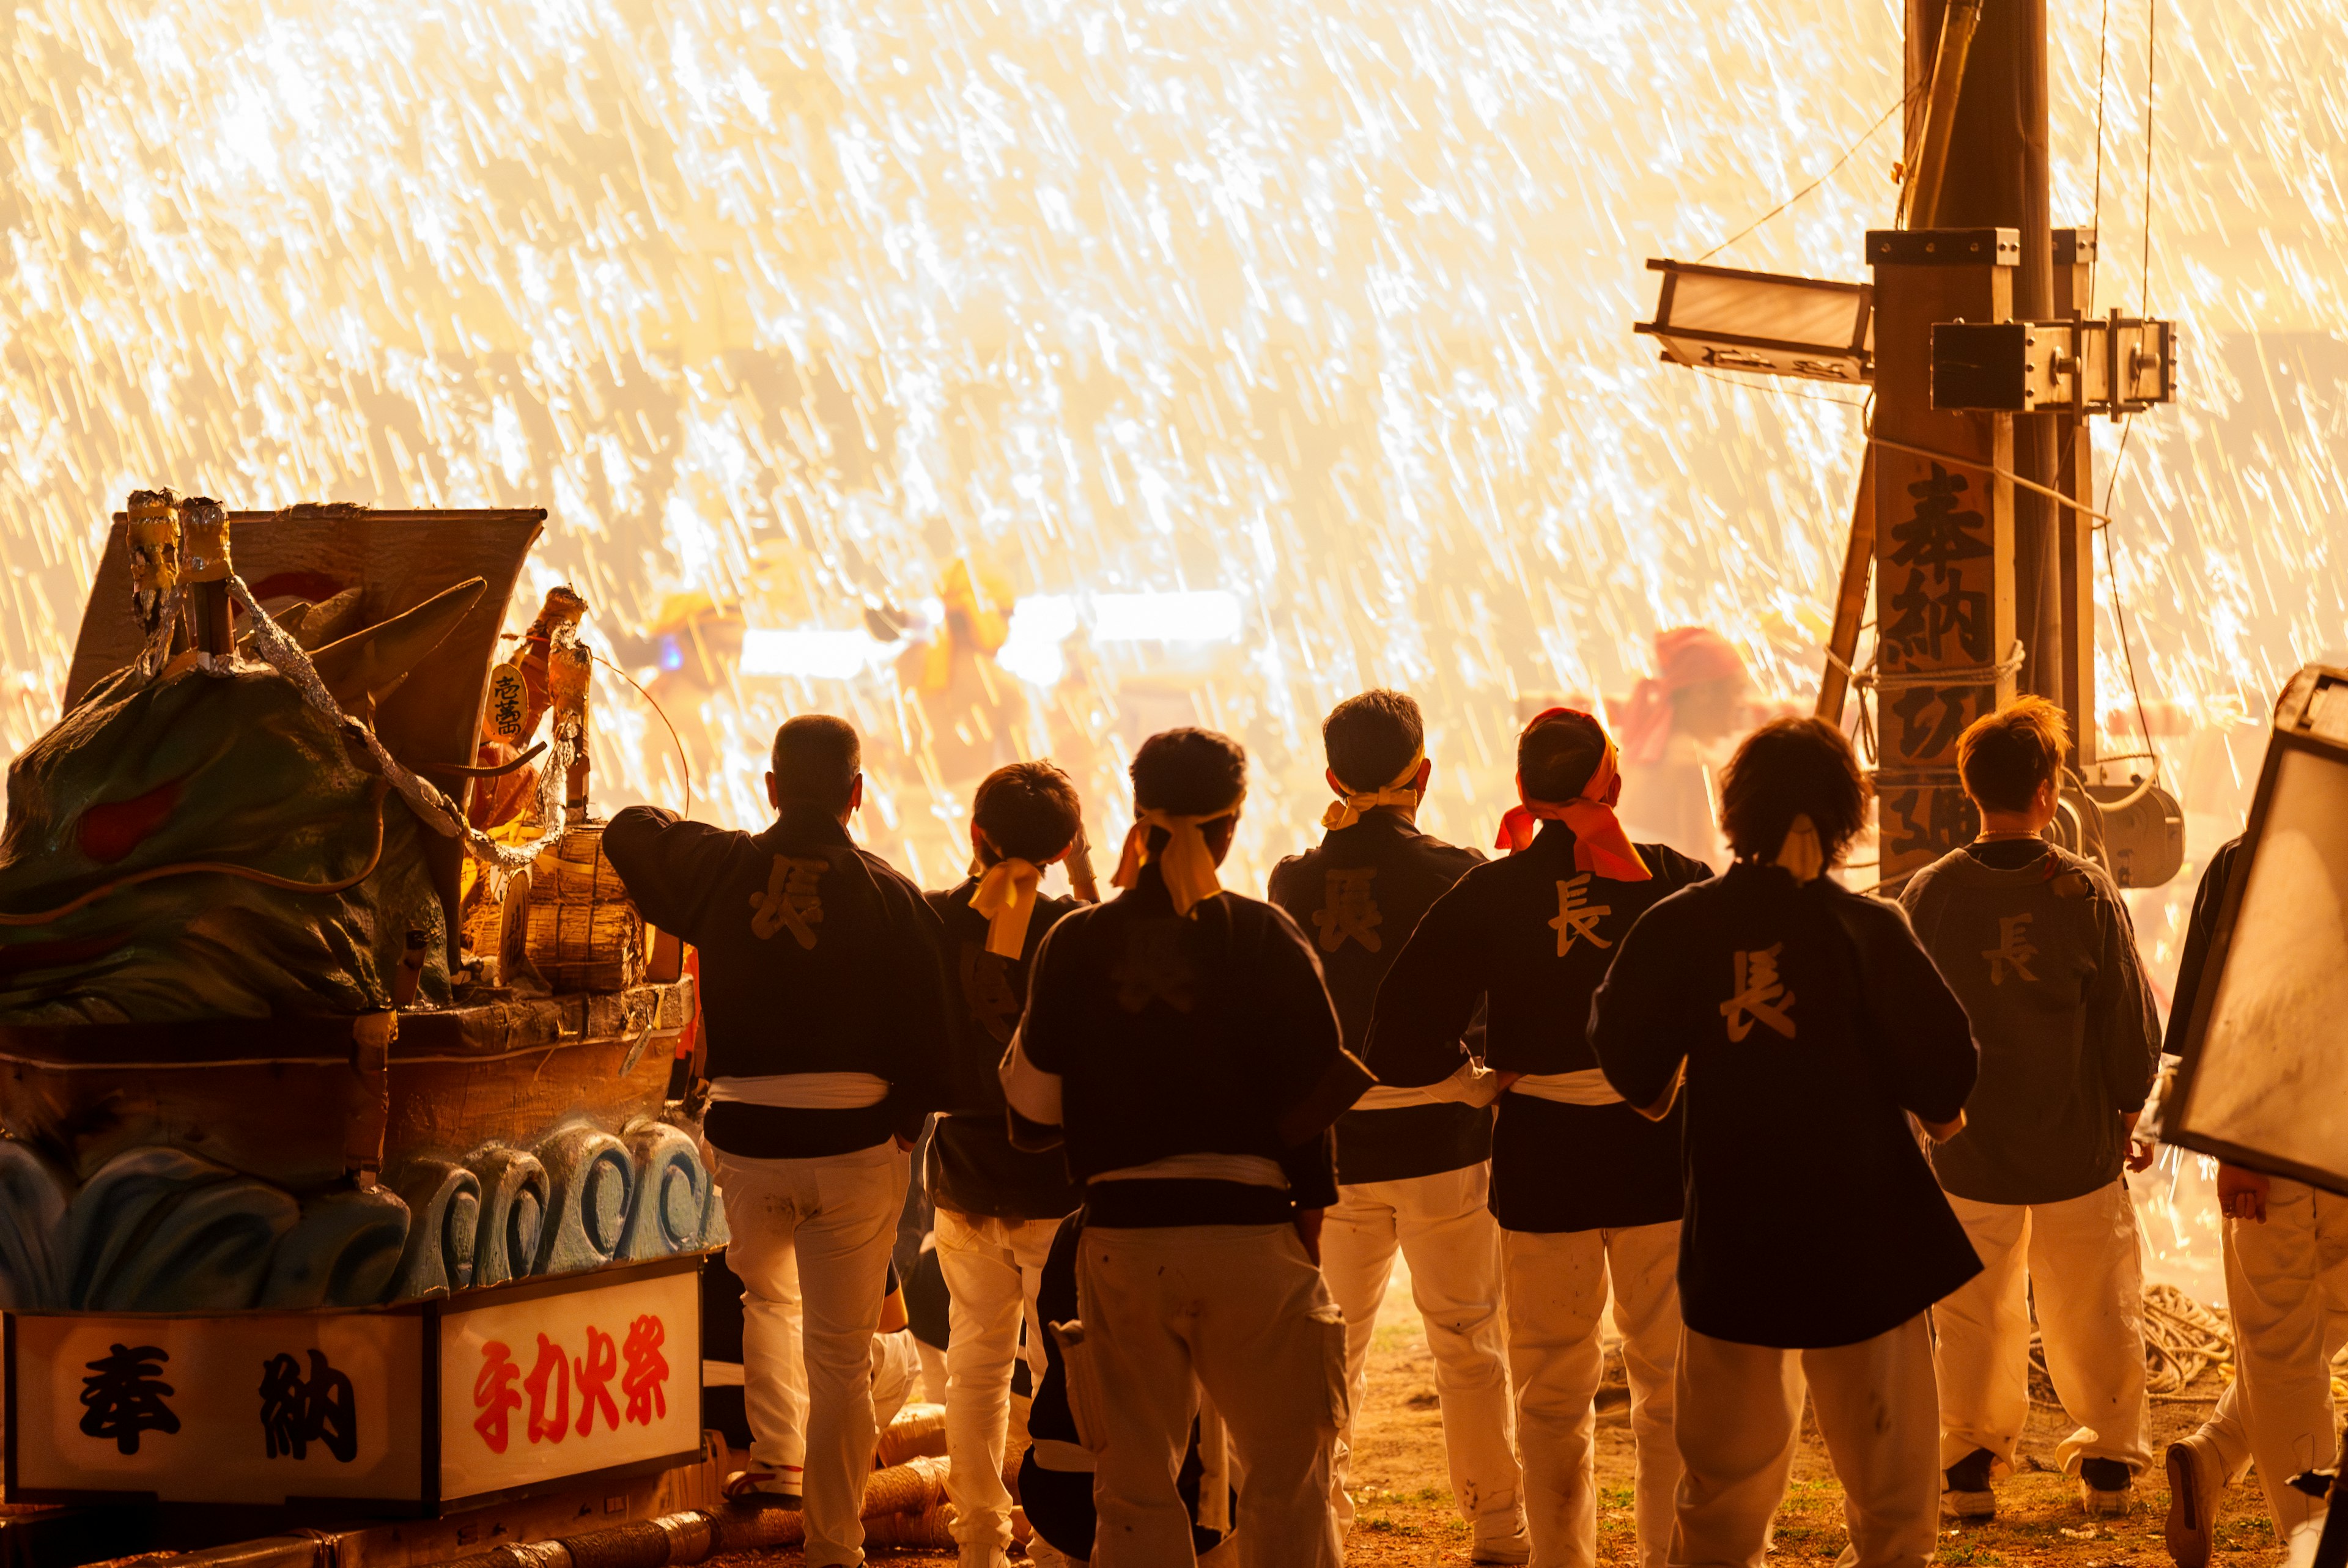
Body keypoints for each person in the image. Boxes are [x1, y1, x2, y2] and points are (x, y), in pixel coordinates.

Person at [1590, 716, 1981, 1568]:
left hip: (1737, 1236)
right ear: (1847, 818)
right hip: (1867, 1236)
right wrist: (1934, 1117)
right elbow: (1947, 1077)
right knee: (1894, 1500)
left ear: (1738, 813)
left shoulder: (1679, 926)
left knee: (1722, 1497)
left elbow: (1631, 1063)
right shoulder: (1868, 929)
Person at [1001, 727, 1369, 1568]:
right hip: (1251, 1234)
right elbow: (1314, 1105)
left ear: (1139, 815)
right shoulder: (1266, 937)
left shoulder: (1075, 944)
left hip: (1123, 1237)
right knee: (1288, 1470)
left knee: (1132, 1481)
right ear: (1233, 823)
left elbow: (1032, 1106)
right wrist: (1307, 1215)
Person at [605, 714, 952, 1568]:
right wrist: (901, 1124)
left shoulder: (724, 866)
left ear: (769, 789)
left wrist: (731, 843)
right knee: (841, 1356)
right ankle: (834, 1546)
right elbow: (939, 1043)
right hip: (856, 1140)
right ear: (857, 795)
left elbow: (628, 828)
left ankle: (777, 1463)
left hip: (749, 1140)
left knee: (767, 1299)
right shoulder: (889, 891)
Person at [1369, 707, 1711, 1568]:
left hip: (1541, 1159)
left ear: (1523, 792)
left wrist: (1474, 1080)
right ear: (1615, 786)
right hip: (1658, 1155)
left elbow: (1398, 1032)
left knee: (1552, 1387)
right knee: (1670, 1380)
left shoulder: (1492, 893)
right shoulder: (1676, 884)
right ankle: (1672, 1552)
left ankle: (1563, 1556)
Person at [1265, 690, 1530, 1564]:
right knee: (1468, 1339)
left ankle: (1321, 1521)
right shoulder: (1459, 870)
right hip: (1444, 1141)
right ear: (1424, 774)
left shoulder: (1293, 879)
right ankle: (1499, 1526)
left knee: (1329, 1346)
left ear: (1333, 777)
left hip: (1332, 1148)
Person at [1899, 699, 2162, 1520]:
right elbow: (2129, 1018)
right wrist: (2127, 1110)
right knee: (2095, 1305)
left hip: (1964, 1147)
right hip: (2076, 1148)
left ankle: (1971, 1465)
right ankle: (2110, 1467)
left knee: (1973, 1309)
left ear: (1969, 791)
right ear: (2049, 792)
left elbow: (1905, 1021)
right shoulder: (2083, 891)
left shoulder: (1930, 893)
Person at [2158, 834, 2348, 1566]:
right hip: (2293, 1131)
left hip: (2267, 1135)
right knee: (2301, 1334)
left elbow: (2206, 1015)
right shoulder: (2255, 854)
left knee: (2282, 1342)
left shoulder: (2250, 853)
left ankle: (2231, 1471)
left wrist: (2231, 1141)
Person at [926, 760, 1092, 1568]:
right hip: (1056, 1184)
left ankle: (980, 1543)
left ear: (974, 833)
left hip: (963, 1175)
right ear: (1065, 847)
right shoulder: (1076, 931)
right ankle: (1060, 1543)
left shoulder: (932, 919)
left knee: (975, 1365)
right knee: (1059, 1363)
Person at [1612, 627, 1752, 863]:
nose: (1743, 706)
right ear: (1702, 693)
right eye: (1737, 692)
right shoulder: (1695, 768)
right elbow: (1703, 870)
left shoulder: (1634, 757)